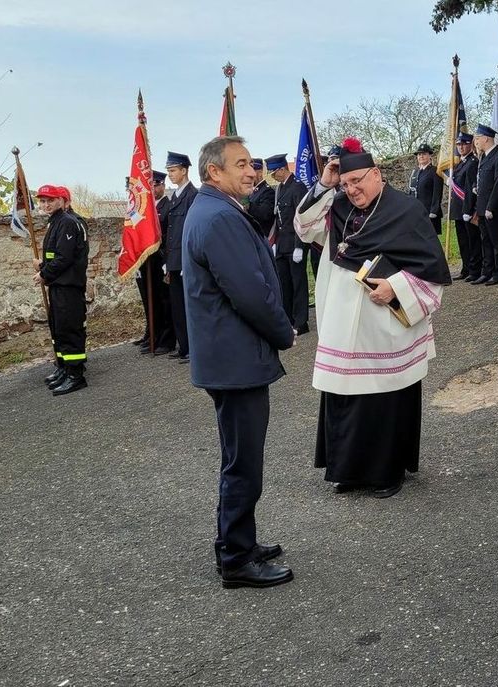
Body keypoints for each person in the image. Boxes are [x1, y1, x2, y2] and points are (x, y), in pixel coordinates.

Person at [295, 139, 452, 497]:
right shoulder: (335, 208)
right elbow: (304, 228)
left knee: (385, 399)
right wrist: (325, 183)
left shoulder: (406, 210)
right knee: (344, 397)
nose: (351, 190)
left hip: (384, 324)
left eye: (358, 181)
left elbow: (432, 271)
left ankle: (387, 473)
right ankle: (347, 471)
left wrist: (396, 287)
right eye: (345, 184)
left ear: (377, 174)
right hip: (340, 321)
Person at [183, 135, 296, 589]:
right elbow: (248, 292)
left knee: (240, 455)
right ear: (215, 172)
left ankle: (241, 541)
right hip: (235, 360)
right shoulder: (219, 218)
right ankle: (235, 557)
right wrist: (282, 330)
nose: (253, 171)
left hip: (229, 358)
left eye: (252, 164)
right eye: (243, 164)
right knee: (242, 461)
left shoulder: (214, 209)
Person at [35, 184, 89, 396]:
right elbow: (53, 255)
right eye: (43, 201)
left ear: (61, 200)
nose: (46, 204)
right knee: (59, 328)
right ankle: (65, 368)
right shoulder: (55, 222)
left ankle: (76, 375)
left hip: (68, 286)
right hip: (58, 284)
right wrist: (43, 266)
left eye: (50, 200)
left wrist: (44, 274)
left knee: (69, 329)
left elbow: (64, 258)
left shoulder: (67, 222)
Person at [268, 153, 311, 336]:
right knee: (284, 284)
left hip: (295, 244)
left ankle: (301, 322)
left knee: (298, 283)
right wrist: (275, 241)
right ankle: (289, 319)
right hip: (282, 245)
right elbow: (278, 219)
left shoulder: (297, 187)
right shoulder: (279, 189)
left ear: (282, 169)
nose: (272, 175)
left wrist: (300, 246)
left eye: (273, 172)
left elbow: (301, 218)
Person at [134, 170, 176, 356]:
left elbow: (168, 235)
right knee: (151, 300)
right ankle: (153, 334)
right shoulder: (145, 208)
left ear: (163, 186)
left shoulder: (168, 206)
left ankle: (167, 340)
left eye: (156, 184)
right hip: (147, 260)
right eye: (150, 185)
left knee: (164, 301)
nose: (153, 188)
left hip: (160, 259)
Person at [162, 151, 197, 364]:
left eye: (173, 171)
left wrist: (188, 259)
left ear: (184, 170)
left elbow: (191, 231)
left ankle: (194, 348)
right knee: (177, 307)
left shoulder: (193, 195)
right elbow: (171, 232)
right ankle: (184, 346)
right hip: (174, 261)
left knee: (189, 307)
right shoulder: (174, 197)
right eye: (168, 171)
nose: (170, 175)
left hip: (186, 261)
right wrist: (167, 261)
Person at [472, 124, 498, 286]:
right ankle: (487, 272)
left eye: (477, 138)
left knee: (497, 241)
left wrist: (490, 207)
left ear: (486, 138)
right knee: (485, 240)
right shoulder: (484, 156)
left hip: (492, 208)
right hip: (482, 206)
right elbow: (482, 179)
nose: (476, 142)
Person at [449, 133, 481, 281]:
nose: (461, 147)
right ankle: (466, 268)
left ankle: (475, 269)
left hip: (468, 207)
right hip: (458, 208)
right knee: (462, 241)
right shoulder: (459, 163)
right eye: (459, 145)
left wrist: (471, 209)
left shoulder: (473, 162)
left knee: (472, 240)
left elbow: (471, 188)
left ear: (470, 144)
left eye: (464, 144)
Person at [408, 144, 442, 234]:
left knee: (430, 239)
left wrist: (434, 211)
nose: (421, 156)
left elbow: (437, 193)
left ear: (430, 155)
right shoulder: (415, 172)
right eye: (419, 154)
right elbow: (411, 192)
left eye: (424, 154)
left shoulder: (435, 171)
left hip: (429, 213)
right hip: (416, 212)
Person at [245, 159, 275, 239]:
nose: (249, 175)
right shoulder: (253, 191)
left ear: (260, 172)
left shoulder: (268, 191)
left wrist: (249, 206)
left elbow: (265, 214)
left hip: (263, 237)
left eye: (252, 171)